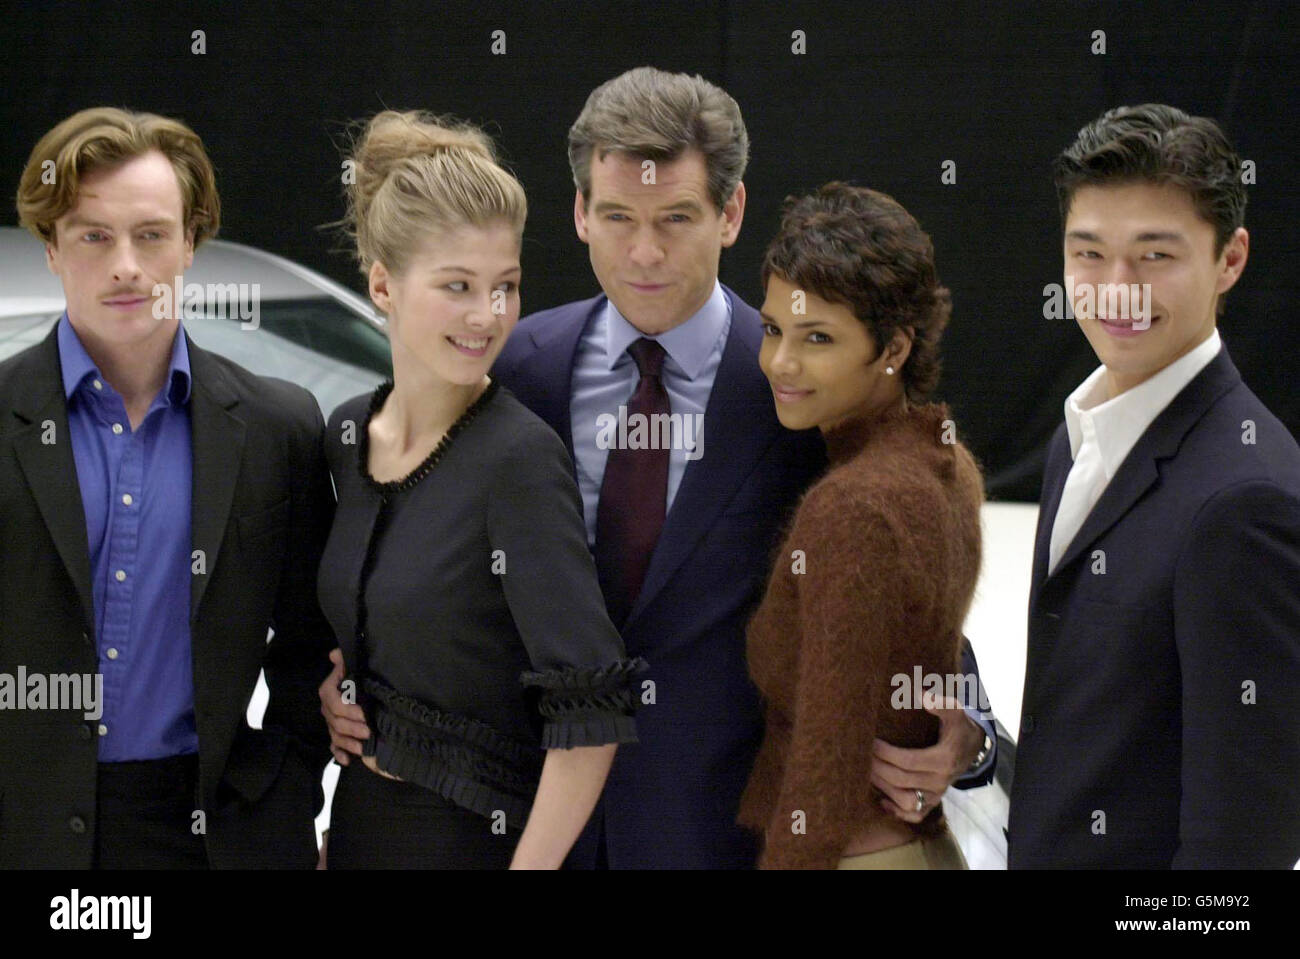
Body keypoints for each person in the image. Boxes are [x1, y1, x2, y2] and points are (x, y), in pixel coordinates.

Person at [322, 67, 998, 869]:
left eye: (676, 217)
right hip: (531, 822)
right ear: (579, 213)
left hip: (721, 832)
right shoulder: (517, 364)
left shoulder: (795, 382)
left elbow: (901, 557)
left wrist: (962, 714)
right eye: (617, 216)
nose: (644, 252)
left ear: (731, 212)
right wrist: (357, 682)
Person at [1, 107, 335, 868]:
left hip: (209, 830)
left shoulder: (278, 428)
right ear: (51, 247)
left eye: (151, 234)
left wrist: (281, 800)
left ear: (191, 241)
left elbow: (312, 646)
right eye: (93, 235)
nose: (126, 264)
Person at [317, 110, 643, 870]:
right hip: (359, 830)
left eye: (506, 287)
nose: (488, 315)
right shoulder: (342, 437)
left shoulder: (518, 460)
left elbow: (591, 717)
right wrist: (332, 691)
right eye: (458, 286)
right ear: (382, 284)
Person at [1008, 104, 1300, 868]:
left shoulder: (1247, 502)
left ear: (1230, 259)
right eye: (1089, 253)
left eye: (1155, 255)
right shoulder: (1074, 438)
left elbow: (1243, 847)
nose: (1116, 290)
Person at [736, 183, 983, 869]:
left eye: (818, 337)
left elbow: (827, 757)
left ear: (893, 346)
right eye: (772, 329)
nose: (780, 363)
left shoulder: (854, 506)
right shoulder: (945, 460)